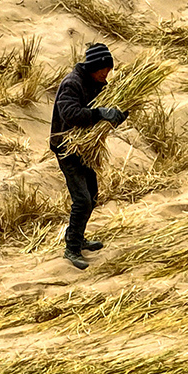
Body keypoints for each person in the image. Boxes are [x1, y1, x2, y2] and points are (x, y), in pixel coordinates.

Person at [50, 42, 125, 271]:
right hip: (67, 147)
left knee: (91, 196)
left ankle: (79, 238)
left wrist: (119, 113)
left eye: (109, 69)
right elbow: (71, 114)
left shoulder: (97, 83)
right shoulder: (72, 84)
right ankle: (71, 248)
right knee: (81, 200)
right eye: (104, 69)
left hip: (85, 148)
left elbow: (108, 107)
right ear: (94, 67)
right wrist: (100, 113)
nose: (107, 74)